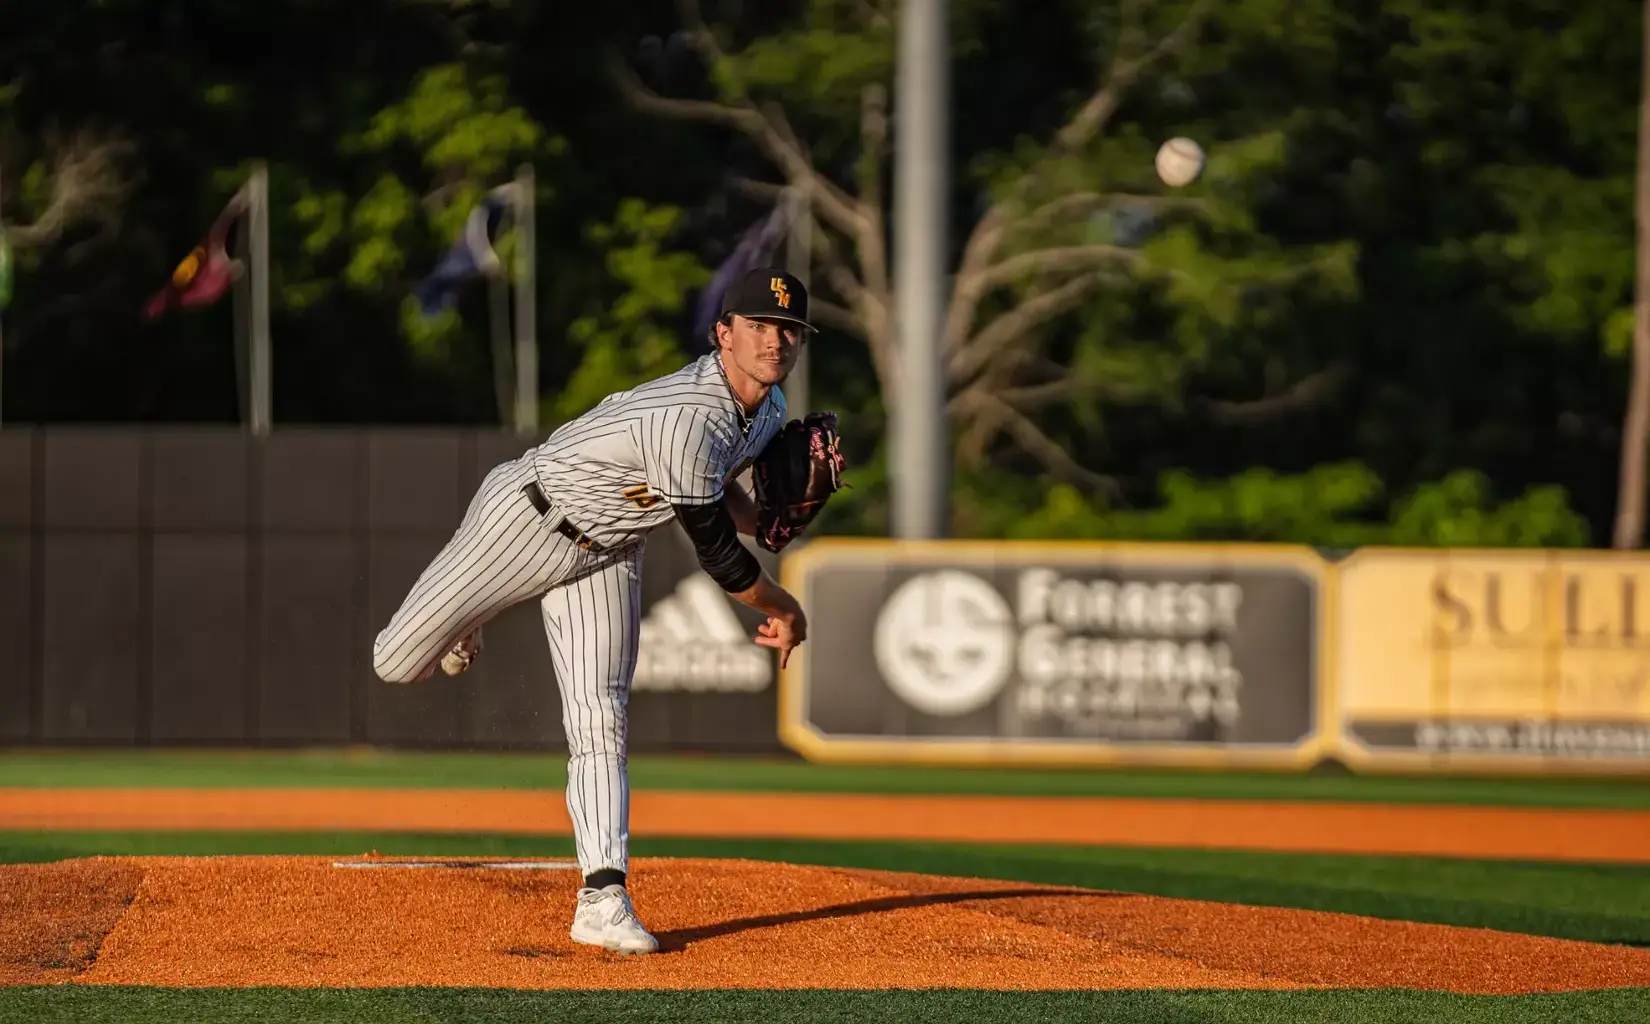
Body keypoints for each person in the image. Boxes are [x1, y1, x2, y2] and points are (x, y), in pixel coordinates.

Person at [371, 266, 814, 954]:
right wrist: (785, 605)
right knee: (396, 663)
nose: (775, 341)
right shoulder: (687, 414)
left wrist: (767, 520)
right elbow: (720, 557)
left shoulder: (771, 410)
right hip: (527, 519)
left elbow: (719, 494)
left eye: (788, 330)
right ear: (723, 333)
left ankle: (602, 897)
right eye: (759, 325)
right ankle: (474, 611)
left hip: (608, 548)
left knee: (600, 714)